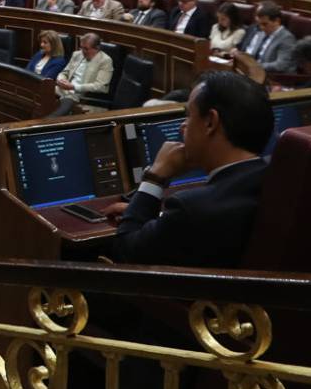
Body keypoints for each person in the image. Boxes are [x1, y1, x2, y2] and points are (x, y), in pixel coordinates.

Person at [106, 71, 272, 268]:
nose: (182, 127)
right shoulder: (276, 179)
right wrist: (161, 218)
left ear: (210, 122)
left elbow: (126, 252)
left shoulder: (191, 208)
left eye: (188, 116)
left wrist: (155, 177)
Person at [53, 33, 113, 115]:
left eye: (86, 49)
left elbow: (100, 86)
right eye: (81, 47)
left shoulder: (105, 61)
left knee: (67, 100)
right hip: (65, 89)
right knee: (46, 89)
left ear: (97, 48)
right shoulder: (77, 54)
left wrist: (73, 87)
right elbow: (65, 72)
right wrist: (61, 80)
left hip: (83, 95)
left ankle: (49, 121)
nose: (83, 51)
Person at [236, 2, 297, 73]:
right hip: (252, 72)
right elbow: (252, 55)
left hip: (271, 76)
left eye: (265, 24)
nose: (261, 27)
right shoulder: (263, 32)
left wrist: (255, 66)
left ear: (277, 21)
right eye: (259, 24)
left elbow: (281, 65)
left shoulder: (287, 38)